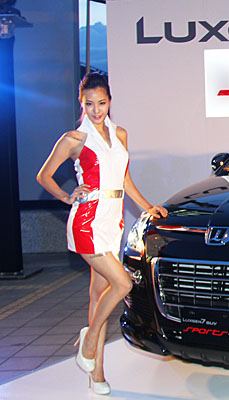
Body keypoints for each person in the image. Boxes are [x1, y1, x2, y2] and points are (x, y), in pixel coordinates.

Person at [37, 73, 168, 395]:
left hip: (113, 222)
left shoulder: (119, 133)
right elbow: (44, 175)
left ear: (110, 101)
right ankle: (90, 339)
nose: (96, 110)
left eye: (102, 103)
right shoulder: (74, 139)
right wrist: (67, 196)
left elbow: (124, 180)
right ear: (81, 103)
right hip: (87, 221)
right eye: (89, 104)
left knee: (98, 296)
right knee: (123, 283)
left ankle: (95, 375)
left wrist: (147, 206)